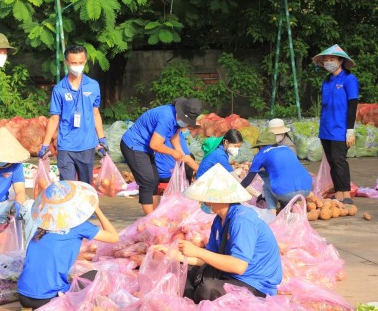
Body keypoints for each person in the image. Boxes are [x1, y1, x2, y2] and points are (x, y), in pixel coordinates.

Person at [154, 163, 282, 303]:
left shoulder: (242, 220)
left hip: (254, 284)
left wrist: (196, 251)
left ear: (213, 199)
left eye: (205, 199)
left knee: (207, 290)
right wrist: (174, 254)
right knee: (180, 272)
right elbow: (208, 258)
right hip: (229, 275)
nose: (203, 202)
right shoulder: (219, 221)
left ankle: (196, 297)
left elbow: (238, 266)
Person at [17, 180, 119, 309]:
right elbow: (114, 237)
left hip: (23, 296)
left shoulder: (43, 226)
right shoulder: (79, 226)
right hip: (48, 299)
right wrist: (97, 209)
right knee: (97, 275)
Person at [39, 45, 108, 184]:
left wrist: (102, 139)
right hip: (66, 146)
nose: (77, 66)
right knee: (67, 188)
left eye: (81, 63)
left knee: (85, 187)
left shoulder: (93, 86)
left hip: (87, 145)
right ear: (66, 62)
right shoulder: (59, 89)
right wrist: (45, 144)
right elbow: (54, 119)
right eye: (73, 63)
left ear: (85, 61)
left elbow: (95, 114)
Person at [120, 97, 202, 214]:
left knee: (154, 180)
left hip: (145, 148)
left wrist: (181, 153)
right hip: (134, 145)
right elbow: (155, 144)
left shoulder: (175, 121)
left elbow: (175, 138)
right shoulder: (166, 117)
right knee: (147, 181)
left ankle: (155, 214)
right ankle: (150, 219)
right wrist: (173, 152)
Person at [312, 44, 359, 205]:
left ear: (340, 61)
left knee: (339, 160)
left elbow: (352, 105)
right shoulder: (327, 81)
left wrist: (350, 129)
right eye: (326, 60)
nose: (328, 62)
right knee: (332, 161)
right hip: (325, 128)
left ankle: (346, 193)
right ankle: (338, 192)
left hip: (340, 129)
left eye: (332, 59)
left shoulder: (349, 79)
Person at [241, 131, 312, 214]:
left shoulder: (262, 153)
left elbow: (248, 180)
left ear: (261, 146)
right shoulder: (286, 149)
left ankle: (272, 214)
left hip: (286, 193)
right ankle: (293, 211)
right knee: (281, 180)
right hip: (307, 190)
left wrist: (234, 193)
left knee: (267, 185)